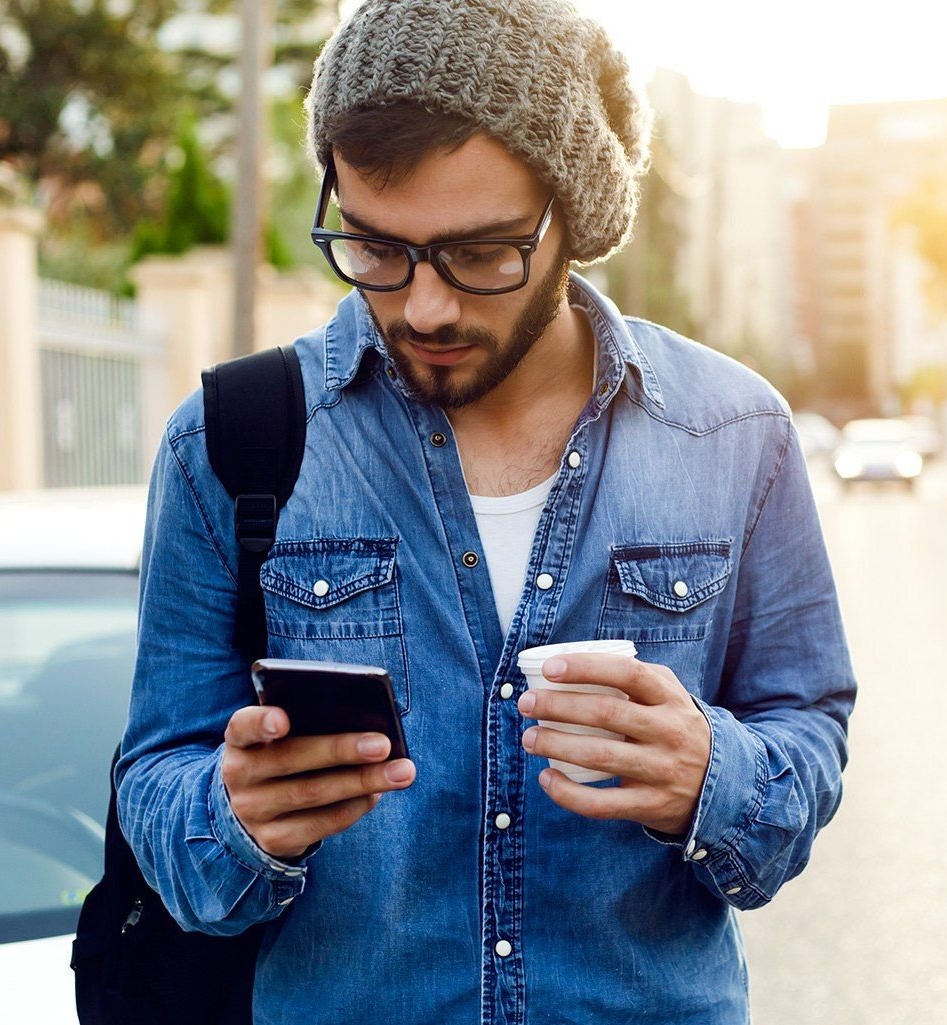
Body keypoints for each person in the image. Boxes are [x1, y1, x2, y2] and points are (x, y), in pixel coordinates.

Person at [115, 0, 857, 1021]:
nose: (424, 306)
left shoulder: (734, 432)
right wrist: (233, 819)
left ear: (573, 216)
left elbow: (805, 728)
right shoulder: (226, 441)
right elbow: (156, 784)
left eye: (481, 253)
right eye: (375, 247)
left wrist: (712, 777)